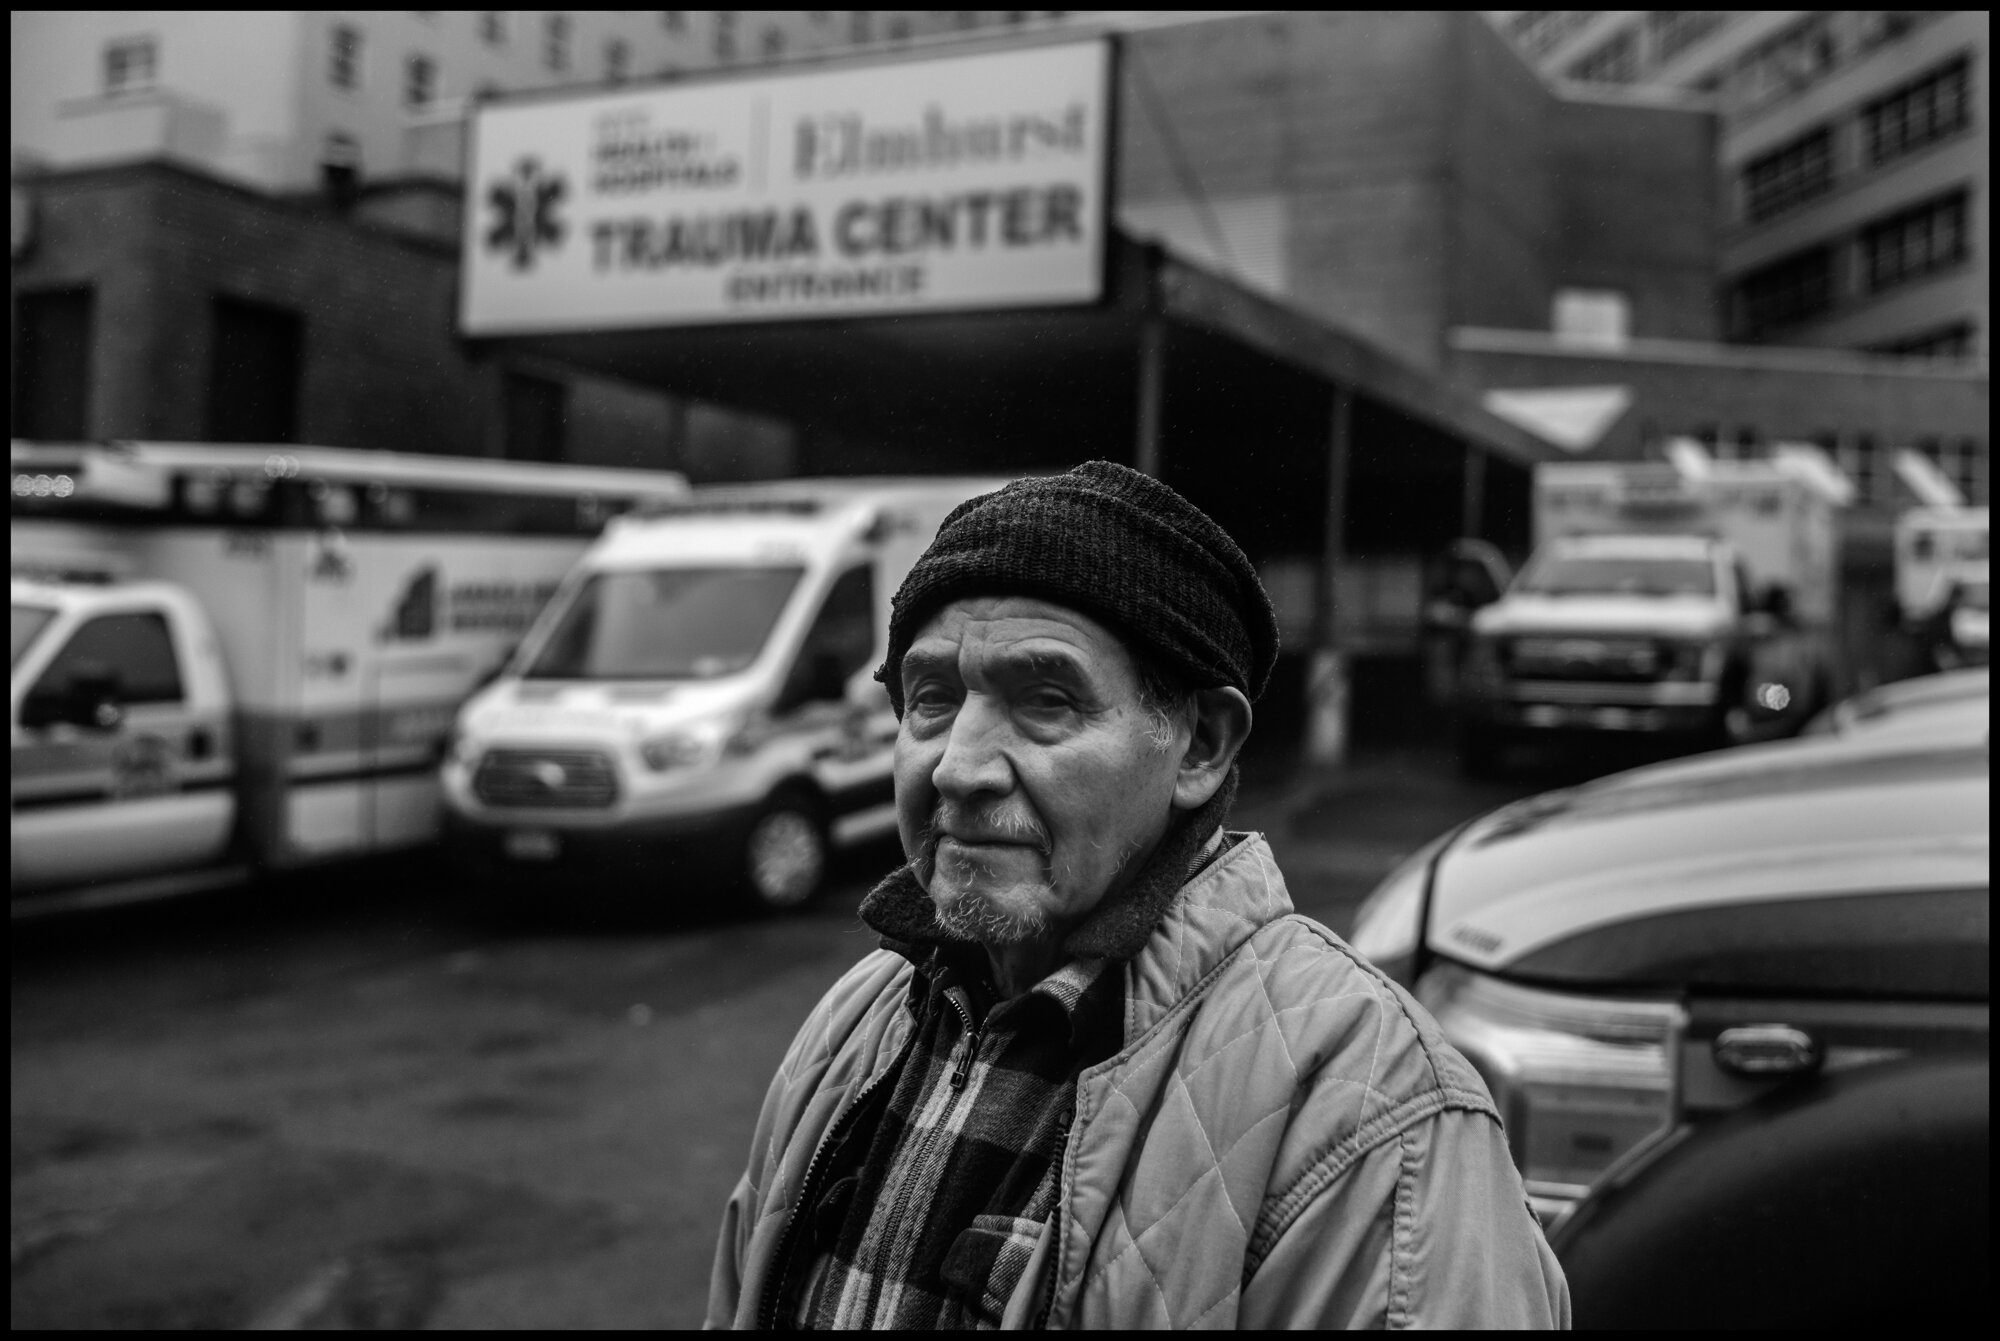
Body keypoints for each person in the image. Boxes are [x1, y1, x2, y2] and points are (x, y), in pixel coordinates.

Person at [707, 461, 1569, 1329]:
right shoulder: (854, 1029)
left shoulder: (1373, 1110)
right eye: (930, 699)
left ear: (1199, 747)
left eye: (1045, 699)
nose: (958, 766)